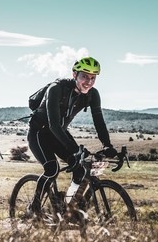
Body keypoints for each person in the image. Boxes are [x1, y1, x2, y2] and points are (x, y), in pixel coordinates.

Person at [27, 56, 117, 214]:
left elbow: (99, 122)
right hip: (39, 132)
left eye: (93, 78)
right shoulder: (56, 88)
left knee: (81, 170)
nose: (88, 82)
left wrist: (107, 145)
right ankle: (34, 206)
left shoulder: (92, 94)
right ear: (75, 75)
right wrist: (74, 149)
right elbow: (54, 124)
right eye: (84, 76)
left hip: (59, 134)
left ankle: (68, 207)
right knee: (52, 170)